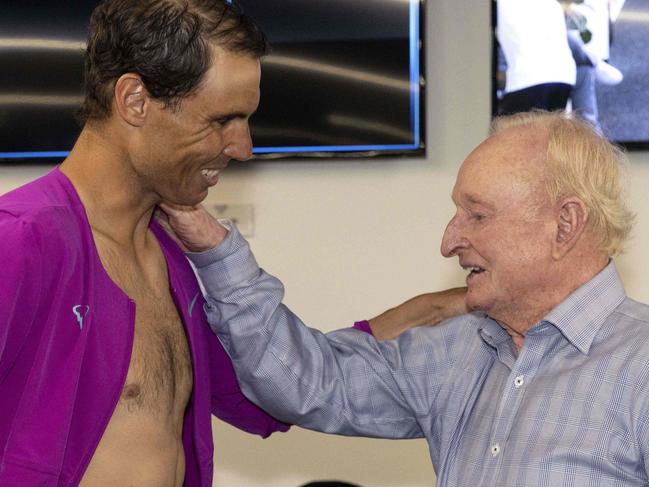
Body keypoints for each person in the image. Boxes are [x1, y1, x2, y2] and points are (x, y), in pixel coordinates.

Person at [0, 1, 466, 484]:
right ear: (134, 100)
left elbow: (270, 390)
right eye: (222, 120)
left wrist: (436, 311)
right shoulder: (21, 242)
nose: (243, 148)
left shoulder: (166, 252)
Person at [165, 110, 649, 486]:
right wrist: (215, 250)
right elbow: (307, 381)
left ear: (564, 225)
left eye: (476, 216)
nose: (448, 241)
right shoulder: (457, 352)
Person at [496, 0, 576, 114]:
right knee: (549, 128)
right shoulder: (552, 4)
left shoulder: (502, 4)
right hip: (563, 76)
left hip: (526, 79)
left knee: (513, 129)